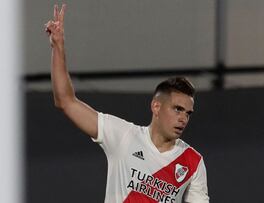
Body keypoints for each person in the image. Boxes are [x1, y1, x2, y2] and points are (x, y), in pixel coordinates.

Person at [45, 4, 209, 203]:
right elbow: (66, 101)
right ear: (156, 107)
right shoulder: (123, 136)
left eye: (188, 113)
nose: (183, 118)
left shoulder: (192, 162)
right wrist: (58, 45)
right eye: (177, 109)